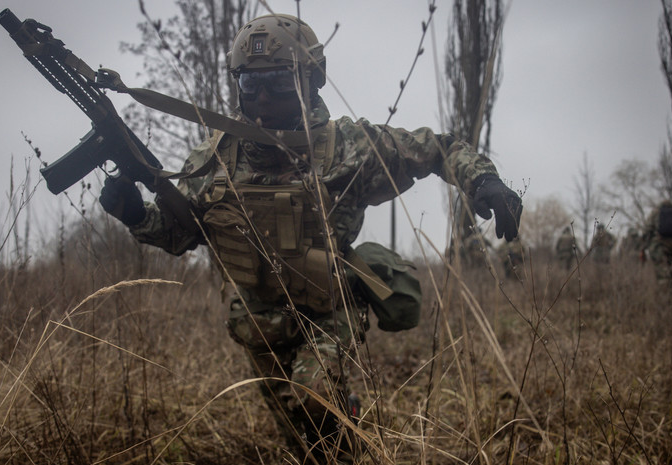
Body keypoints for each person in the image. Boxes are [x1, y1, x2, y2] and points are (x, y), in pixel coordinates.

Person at [98, 13, 522, 462]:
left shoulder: (348, 147)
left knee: (312, 396)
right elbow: (181, 234)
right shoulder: (215, 158)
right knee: (304, 441)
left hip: (329, 308)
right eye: (249, 84)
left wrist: (482, 182)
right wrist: (131, 213)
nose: (262, 97)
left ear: (311, 79)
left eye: (279, 83)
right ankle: (342, 431)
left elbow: (437, 148)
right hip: (258, 321)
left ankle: (345, 427)